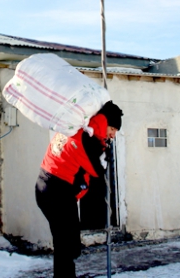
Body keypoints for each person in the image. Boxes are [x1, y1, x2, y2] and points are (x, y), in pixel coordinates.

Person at [35, 100, 123, 277]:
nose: (113, 135)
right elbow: (97, 170)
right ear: (105, 123)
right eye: (112, 129)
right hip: (56, 192)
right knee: (67, 246)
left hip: (47, 187)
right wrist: (105, 155)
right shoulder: (86, 140)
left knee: (66, 244)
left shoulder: (78, 126)